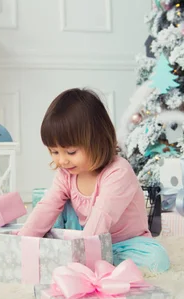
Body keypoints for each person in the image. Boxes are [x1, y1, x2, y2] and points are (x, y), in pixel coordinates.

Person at [17, 88, 170, 272]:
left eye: (71, 152)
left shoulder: (118, 172)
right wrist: (21, 242)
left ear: (97, 141)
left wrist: (81, 255)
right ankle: (64, 249)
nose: (62, 160)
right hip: (83, 236)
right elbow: (47, 207)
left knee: (157, 259)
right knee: (54, 203)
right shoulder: (67, 173)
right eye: (54, 152)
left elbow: (102, 216)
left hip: (124, 243)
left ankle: (91, 258)